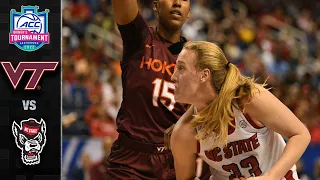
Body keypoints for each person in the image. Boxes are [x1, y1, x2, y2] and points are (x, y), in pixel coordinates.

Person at [169, 41, 311, 180]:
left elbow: (301, 134)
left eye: (181, 68)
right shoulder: (183, 133)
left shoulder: (247, 98)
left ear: (204, 75)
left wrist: (270, 177)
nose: (173, 76)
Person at [107, 0, 195, 179]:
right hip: (131, 161)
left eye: (184, 0)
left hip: (175, 162)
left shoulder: (198, 58)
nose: (177, 3)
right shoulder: (139, 38)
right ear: (155, 5)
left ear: (189, 13)